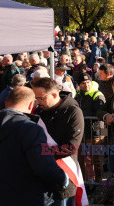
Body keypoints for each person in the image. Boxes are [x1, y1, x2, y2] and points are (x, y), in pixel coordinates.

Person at [0, 86, 69, 206]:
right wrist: (63, 178)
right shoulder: (31, 129)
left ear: (6, 102)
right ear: (31, 105)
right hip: (26, 196)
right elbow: (44, 166)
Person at [33, 78, 84, 206]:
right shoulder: (39, 112)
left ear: (54, 95)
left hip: (63, 177)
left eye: (40, 98)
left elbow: (71, 147)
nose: (37, 103)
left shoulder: (73, 111)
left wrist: (41, 153)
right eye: (36, 98)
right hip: (41, 177)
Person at [74, 73, 106, 182]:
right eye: (83, 83)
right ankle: (84, 183)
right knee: (81, 159)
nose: (86, 85)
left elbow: (101, 112)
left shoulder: (97, 94)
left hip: (96, 131)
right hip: (82, 131)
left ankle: (99, 183)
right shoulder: (77, 95)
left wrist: (81, 114)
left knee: (96, 159)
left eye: (88, 82)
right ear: (79, 85)